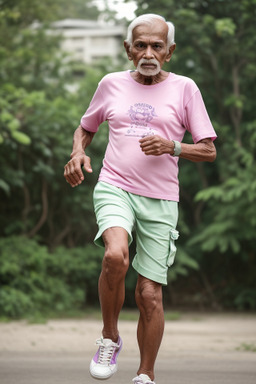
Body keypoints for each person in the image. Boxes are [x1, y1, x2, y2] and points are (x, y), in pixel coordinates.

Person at [64, 13, 217, 384]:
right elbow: (86, 128)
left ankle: (145, 375)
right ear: (128, 50)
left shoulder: (185, 89)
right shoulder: (110, 84)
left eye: (157, 46)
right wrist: (77, 153)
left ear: (169, 52)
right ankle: (109, 337)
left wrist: (173, 146)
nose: (148, 52)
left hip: (161, 199)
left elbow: (208, 151)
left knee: (149, 294)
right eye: (141, 45)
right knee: (115, 255)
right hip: (115, 186)